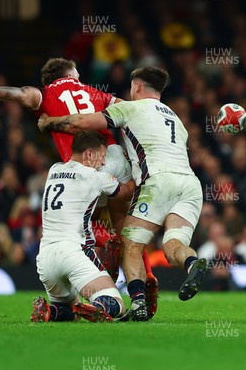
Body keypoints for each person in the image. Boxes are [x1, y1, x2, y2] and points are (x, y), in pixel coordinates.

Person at [0, 58, 159, 318]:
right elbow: (129, 110)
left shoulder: (47, 94)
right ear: (69, 72)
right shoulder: (93, 91)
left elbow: (24, 94)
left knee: (81, 219)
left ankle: (104, 247)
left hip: (85, 166)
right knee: (126, 226)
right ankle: (142, 284)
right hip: (112, 153)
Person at [38, 66, 208, 322]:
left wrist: (49, 122)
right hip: (190, 185)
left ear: (137, 87)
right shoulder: (176, 118)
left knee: (130, 243)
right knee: (173, 247)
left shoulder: (131, 107)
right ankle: (192, 264)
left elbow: (81, 122)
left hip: (157, 182)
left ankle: (138, 302)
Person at [31, 131, 134, 323]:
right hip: (74, 252)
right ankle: (99, 306)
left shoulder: (54, 169)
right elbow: (127, 192)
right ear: (88, 154)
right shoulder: (95, 177)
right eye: (102, 156)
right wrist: (142, 172)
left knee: (70, 313)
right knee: (116, 304)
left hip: (45, 258)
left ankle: (50, 312)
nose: (103, 163)